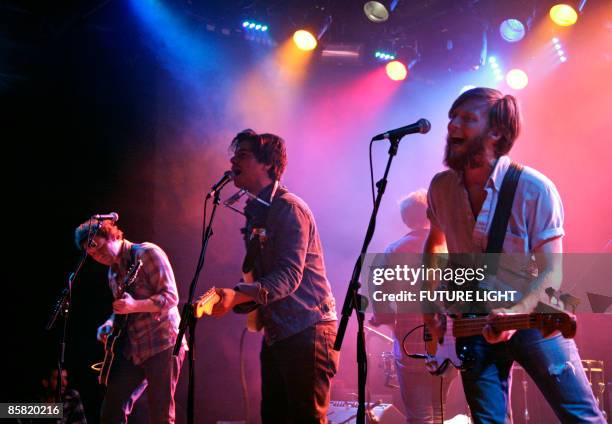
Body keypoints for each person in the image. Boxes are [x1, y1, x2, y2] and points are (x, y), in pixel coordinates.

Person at [423, 87, 604, 423]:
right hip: (472, 320)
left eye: (466, 119)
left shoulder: (534, 188)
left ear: (496, 132)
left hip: (534, 317)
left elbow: (553, 273)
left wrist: (514, 313)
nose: (452, 126)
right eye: (452, 117)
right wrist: (429, 303)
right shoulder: (440, 187)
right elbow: (435, 244)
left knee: (580, 417)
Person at [211, 129, 339, 423]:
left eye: (242, 155)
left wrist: (239, 295)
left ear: (268, 164)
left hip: (309, 328)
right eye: (234, 155)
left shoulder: (289, 208)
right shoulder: (256, 212)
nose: (233, 161)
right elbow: (261, 274)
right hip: (279, 332)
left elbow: (289, 275)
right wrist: (238, 300)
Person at [74, 219, 184, 424]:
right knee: (111, 412)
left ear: (113, 235)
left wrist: (135, 306)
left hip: (163, 342)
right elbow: (122, 309)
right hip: (134, 349)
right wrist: (108, 324)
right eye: (92, 255)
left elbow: (171, 297)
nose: (98, 256)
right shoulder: (113, 273)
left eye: (98, 247)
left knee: (160, 415)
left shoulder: (147, 253)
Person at [371, 189, 458, 423]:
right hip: (446, 343)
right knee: (439, 411)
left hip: (410, 346)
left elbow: (381, 303)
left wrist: (388, 322)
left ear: (406, 219)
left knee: (419, 416)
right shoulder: (449, 249)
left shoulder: (393, 251)